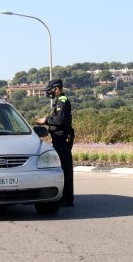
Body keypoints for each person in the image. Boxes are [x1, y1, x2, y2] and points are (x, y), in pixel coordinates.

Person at [36, 79, 75, 207]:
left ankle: (67, 198)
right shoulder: (58, 101)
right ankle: (65, 196)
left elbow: (59, 121)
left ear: (57, 88)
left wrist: (45, 120)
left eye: (50, 90)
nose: (49, 92)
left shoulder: (62, 101)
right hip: (58, 138)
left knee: (65, 169)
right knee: (63, 168)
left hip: (62, 138)